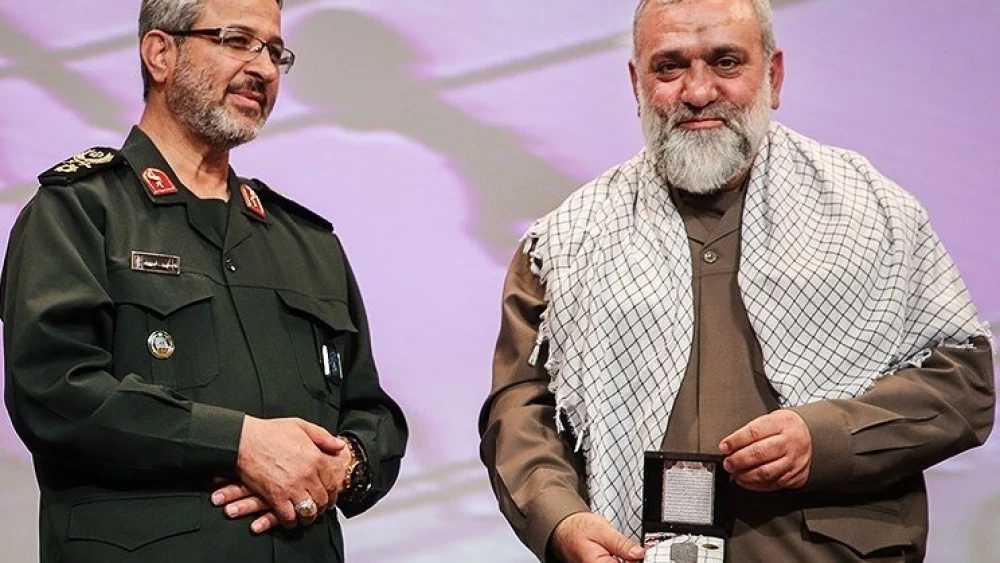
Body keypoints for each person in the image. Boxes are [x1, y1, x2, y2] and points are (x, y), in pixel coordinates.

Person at [478, 0, 994, 561]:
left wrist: (826, 439)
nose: (698, 92)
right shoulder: (564, 242)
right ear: (636, 82)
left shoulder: (874, 212)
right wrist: (560, 519)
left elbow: (961, 386)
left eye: (726, 62)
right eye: (669, 67)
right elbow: (520, 410)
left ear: (772, 75)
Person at [0, 0, 408, 561]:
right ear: (160, 53)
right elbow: (54, 392)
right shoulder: (77, 212)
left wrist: (345, 465)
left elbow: (373, 413)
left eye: (274, 51)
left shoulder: (308, 241)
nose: (263, 68)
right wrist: (239, 443)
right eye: (237, 40)